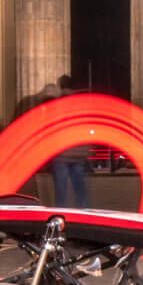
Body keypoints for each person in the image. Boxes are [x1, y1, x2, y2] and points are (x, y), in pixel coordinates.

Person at [48, 74, 90, 207]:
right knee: (81, 192)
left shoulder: (57, 105)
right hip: (78, 154)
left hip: (62, 154)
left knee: (61, 193)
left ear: (60, 87)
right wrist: (86, 149)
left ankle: (61, 219)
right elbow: (86, 127)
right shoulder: (81, 105)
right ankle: (85, 218)